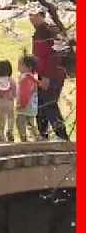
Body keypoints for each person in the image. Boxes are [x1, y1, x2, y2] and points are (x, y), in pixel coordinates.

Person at [29, 11, 69, 141]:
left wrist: (47, 76)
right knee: (40, 105)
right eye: (29, 15)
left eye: (33, 15)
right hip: (41, 74)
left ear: (41, 16)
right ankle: (43, 134)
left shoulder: (50, 32)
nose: (31, 18)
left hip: (52, 75)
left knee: (49, 104)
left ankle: (61, 135)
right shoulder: (38, 33)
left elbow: (55, 56)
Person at [0, 60, 17, 143]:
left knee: (2, 119)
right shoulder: (11, 81)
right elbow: (15, 93)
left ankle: (1, 135)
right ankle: (10, 131)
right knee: (11, 117)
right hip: (9, 102)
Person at [16, 55, 40, 142]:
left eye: (20, 63)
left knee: (20, 122)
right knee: (31, 122)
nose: (18, 65)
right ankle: (37, 137)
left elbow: (24, 93)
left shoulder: (25, 78)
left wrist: (21, 104)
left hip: (24, 105)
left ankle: (24, 139)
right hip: (32, 106)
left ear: (28, 67)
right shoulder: (33, 77)